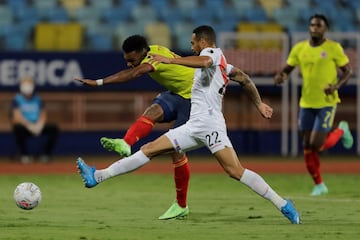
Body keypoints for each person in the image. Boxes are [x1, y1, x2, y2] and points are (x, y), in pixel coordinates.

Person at [77, 25, 301, 224]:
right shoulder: (226, 66)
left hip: (211, 126)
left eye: (193, 42)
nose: (191, 46)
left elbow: (204, 61)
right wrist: (259, 104)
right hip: (195, 126)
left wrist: (170, 60)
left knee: (235, 171)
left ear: (203, 42)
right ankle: (98, 177)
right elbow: (244, 78)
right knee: (149, 149)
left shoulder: (211, 54)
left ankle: (282, 204)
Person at [75, 35, 194, 220]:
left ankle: (181, 205)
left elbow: (134, 74)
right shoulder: (152, 49)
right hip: (178, 93)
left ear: (142, 52)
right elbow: (135, 69)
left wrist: (99, 82)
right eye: (127, 60)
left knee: (177, 152)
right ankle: (126, 143)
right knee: (153, 111)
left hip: (194, 100)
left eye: (132, 60)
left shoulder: (153, 59)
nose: (130, 64)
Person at [274, 14, 353, 196]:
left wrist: (336, 86)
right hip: (306, 103)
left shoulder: (334, 48)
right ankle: (319, 185)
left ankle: (341, 129)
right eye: (312, 25)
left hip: (326, 102)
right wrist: (281, 76)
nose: (314, 28)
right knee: (307, 146)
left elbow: (348, 71)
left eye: (318, 25)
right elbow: (287, 69)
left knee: (316, 144)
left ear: (325, 28)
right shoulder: (299, 48)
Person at [10, 76, 59, 163]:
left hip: (37, 125)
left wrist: (40, 125)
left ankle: (46, 155)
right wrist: (29, 125)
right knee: (18, 128)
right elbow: (16, 117)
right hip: (25, 126)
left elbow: (43, 114)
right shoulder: (17, 99)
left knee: (53, 128)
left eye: (29, 84)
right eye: (25, 84)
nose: (27, 87)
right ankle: (24, 155)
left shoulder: (37, 99)